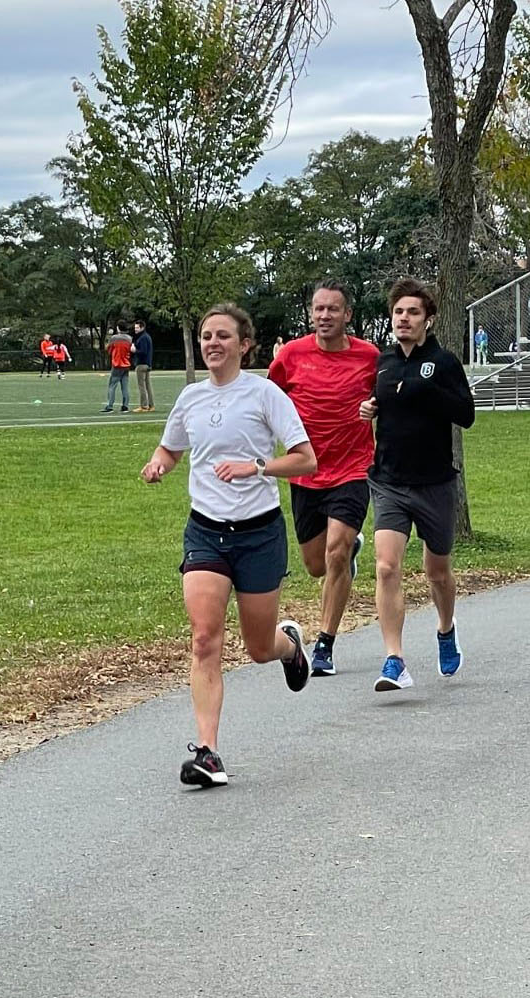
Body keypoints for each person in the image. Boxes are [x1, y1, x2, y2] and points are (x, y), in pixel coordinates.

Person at [140, 302, 316, 788]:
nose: (212, 344)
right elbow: (171, 447)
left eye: (222, 336)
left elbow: (305, 461)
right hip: (206, 531)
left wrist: (256, 467)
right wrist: (159, 465)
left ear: (244, 344)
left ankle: (289, 648)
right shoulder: (191, 399)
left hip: (259, 533)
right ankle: (208, 752)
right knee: (204, 639)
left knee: (259, 648)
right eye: (205, 336)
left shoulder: (265, 394)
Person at [360, 277, 474, 692]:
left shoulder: (443, 362)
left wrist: (432, 393)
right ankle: (395, 659)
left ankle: (445, 628)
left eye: (412, 312)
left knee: (437, 571)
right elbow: (380, 401)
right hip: (389, 480)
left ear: (428, 318)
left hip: (434, 483)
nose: (404, 319)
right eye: (398, 312)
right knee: (387, 566)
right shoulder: (384, 363)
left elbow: (466, 414)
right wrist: (368, 407)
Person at [267, 280, 379, 676]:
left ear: (347, 314)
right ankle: (348, 554)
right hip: (306, 470)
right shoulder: (293, 355)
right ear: (311, 313)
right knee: (316, 565)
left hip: (352, 467)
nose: (325, 316)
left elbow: (387, 396)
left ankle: (325, 644)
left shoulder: (370, 357)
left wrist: (376, 407)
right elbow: (269, 400)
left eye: (333, 309)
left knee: (336, 550)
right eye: (319, 309)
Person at [103, 327, 133, 413]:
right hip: (126, 364)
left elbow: (109, 349)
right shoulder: (129, 338)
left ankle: (110, 405)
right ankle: (125, 406)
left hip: (117, 364)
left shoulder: (114, 338)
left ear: (118, 328)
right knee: (125, 387)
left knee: (112, 386)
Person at [132, 319, 155, 412]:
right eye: (135, 328)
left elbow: (143, 352)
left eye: (137, 328)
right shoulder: (147, 337)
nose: (135, 330)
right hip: (147, 364)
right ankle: (151, 405)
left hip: (142, 364)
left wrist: (134, 350)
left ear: (142, 327)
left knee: (142, 386)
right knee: (148, 386)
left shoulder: (143, 338)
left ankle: (144, 405)